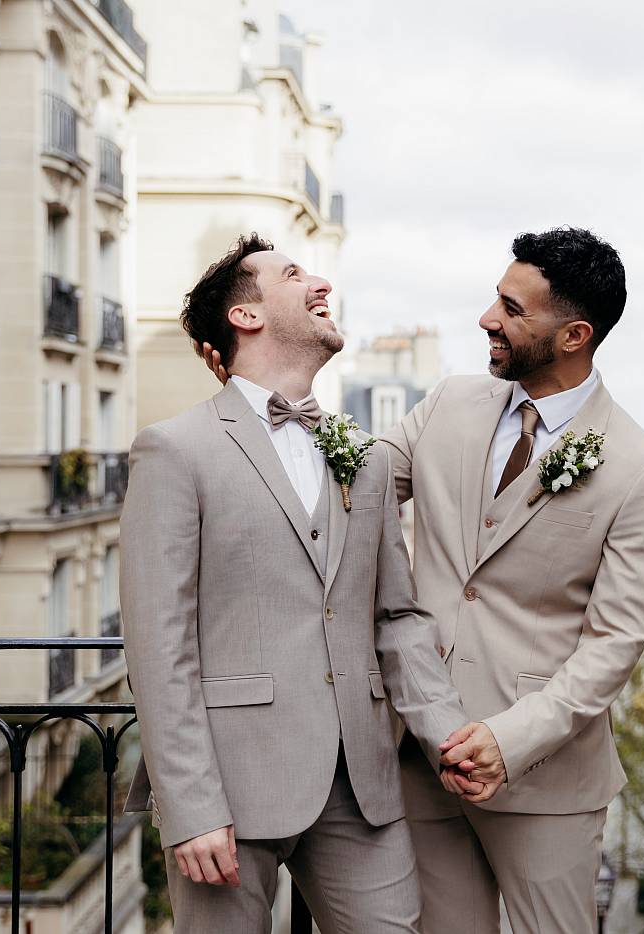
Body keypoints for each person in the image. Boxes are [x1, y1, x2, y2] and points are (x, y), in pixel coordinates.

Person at [199, 226, 644, 934]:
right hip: (420, 756)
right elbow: (348, 482)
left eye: (513, 311)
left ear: (574, 334)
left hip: (543, 777)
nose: (488, 319)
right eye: (496, 299)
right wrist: (254, 397)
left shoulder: (642, 469)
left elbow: (614, 645)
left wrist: (509, 740)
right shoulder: (453, 401)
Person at [120, 234, 478, 933]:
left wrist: (445, 733)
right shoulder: (175, 449)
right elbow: (158, 648)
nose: (320, 285)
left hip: (362, 785)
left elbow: (397, 620)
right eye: (293, 275)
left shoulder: (365, 459)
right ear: (247, 316)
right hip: (228, 788)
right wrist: (192, 809)